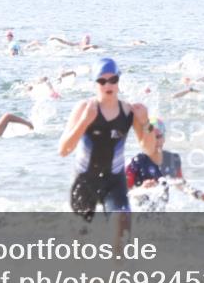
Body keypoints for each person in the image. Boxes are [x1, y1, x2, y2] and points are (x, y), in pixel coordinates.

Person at [59, 58, 153, 240]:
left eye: (113, 80)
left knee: (123, 228)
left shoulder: (129, 112)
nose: (108, 85)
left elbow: (149, 149)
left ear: (119, 81)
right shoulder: (84, 108)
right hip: (85, 181)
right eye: (102, 81)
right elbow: (63, 150)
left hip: (114, 182)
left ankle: (119, 268)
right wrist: (84, 121)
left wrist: (145, 122)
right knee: (80, 240)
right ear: (95, 83)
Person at [125, 118, 204, 209]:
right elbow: (124, 193)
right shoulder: (135, 163)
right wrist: (141, 190)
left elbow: (181, 185)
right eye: (150, 137)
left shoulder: (173, 159)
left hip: (161, 215)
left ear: (164, 138)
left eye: (158, 137)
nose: (155, 141)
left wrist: (200, 195)